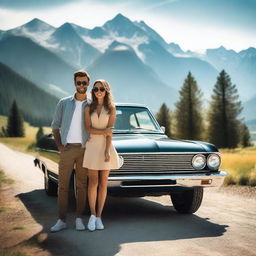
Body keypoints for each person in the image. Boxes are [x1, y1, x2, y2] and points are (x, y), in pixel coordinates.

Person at [50, 70, 91, 232]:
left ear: (88, 83)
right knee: (63, 186)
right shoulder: (63, 103)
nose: (81, 85)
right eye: (78, 82)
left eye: (84, 83)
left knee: (82, 186)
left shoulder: (92, 104)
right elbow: (55, 126)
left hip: (84, 150)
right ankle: (61, 220)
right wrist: (60, 146)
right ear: (74, 83)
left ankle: (79, 219)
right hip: (67, 149)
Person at [83, 79, 122, 231]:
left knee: (103, 183)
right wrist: (103, 131)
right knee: (93, 182)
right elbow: (88, 129)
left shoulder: (112, 108)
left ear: (106, 91)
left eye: (101, 89)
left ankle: (99, 216)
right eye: (95, 89)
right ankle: (92, 215)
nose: (98, 91)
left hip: (106, 147)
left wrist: (107, 150)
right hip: (92, 147)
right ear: (92, 91)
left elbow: (109, 132)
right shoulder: (88, 107)